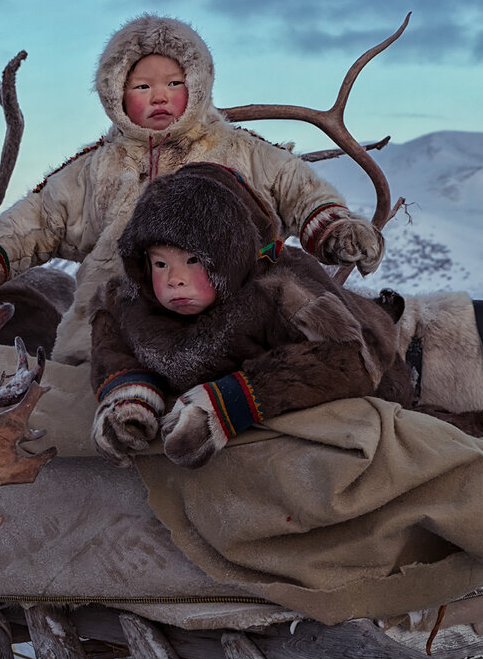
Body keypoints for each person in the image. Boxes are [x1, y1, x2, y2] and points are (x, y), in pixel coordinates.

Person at [0, 14, 384, 365]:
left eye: (174, 83)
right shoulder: (96, 166)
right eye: (142, 86)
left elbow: (296, 188)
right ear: (115, 94)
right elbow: (39, 219)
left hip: (223, 332)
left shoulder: (240, 149)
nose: (160, 97)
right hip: (102, 337)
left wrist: (336, 229)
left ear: (198, 85)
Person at [88, 162, 412, 469]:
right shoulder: (129, 299)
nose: (175, 278)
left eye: (193, 261)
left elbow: (353, 359)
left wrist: (231, 403)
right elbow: (111, 341)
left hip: (373, 370)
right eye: (161, 264)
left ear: (228, 255)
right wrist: (130, 395)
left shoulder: (283, 292)